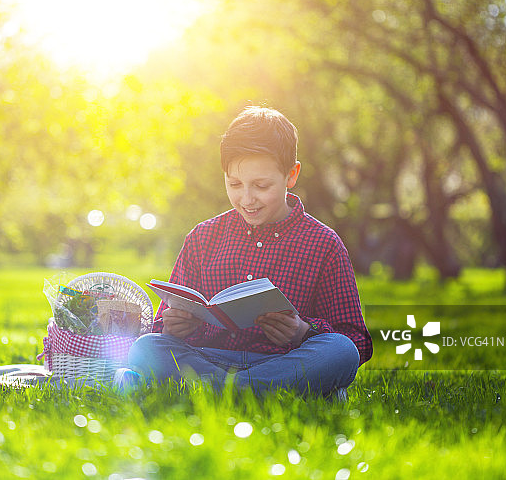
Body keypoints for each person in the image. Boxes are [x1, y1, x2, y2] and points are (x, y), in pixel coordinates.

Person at [116, 106, 372, 397]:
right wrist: (174, 326)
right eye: (235, 184)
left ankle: (213, 392)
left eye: (261, 186)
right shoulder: (203, 237)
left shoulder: (323, 243)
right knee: (146, 348)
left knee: (340, 351)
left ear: (291, 175)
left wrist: (303, 331)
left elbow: (356, 342)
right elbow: (163, 325)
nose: (247, 199)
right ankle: (258, 393)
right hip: (209, 359)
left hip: (284, 363)